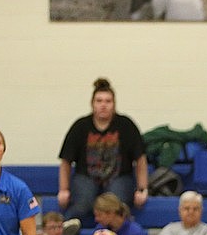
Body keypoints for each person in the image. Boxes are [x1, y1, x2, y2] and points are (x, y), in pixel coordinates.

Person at [58, 78, 148, 224]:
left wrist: (142, 189)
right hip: (86, 177)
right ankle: (68, 228)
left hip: (119, 177)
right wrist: (63, 190)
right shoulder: (80, 126)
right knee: (83, 204)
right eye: (99, 101)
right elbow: (66, 161)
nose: (103, 105)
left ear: (114, 104)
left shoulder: (126, 125)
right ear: (92, 104)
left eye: (108, 101)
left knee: (115, 206)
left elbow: (141, 159)